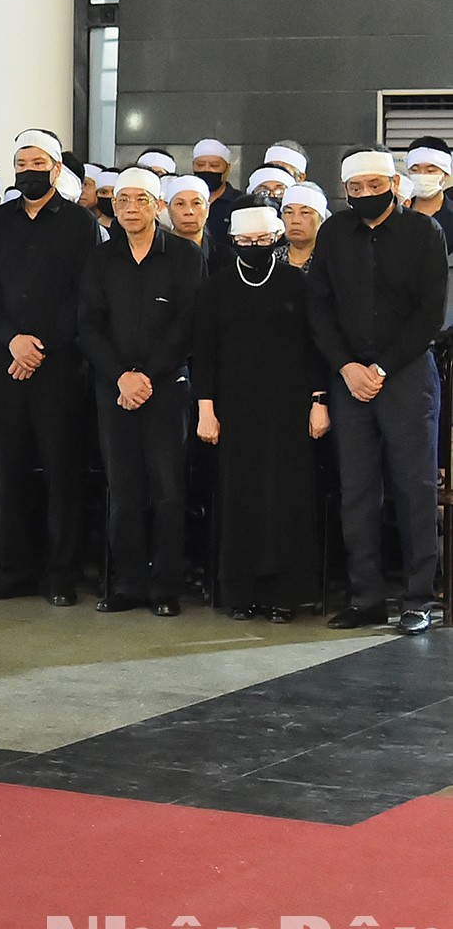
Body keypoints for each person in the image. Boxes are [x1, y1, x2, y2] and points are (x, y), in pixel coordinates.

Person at [308, 149, 448, 634]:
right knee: (358, 490)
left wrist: (381, 367)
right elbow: (319, 309)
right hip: (349, 378)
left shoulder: (422, 232)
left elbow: (431, 313)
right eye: (356, 189)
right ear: (345, 191)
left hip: (406, 374)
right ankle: (365, 597)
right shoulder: (333, 234)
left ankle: (418, 599)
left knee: (414, 489)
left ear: (393, 182)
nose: (366, 195)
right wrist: (347, 366)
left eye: (374, 185)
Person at [0, 129, 101, 606]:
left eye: (37, 161)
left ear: (56, 169)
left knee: (62, 474)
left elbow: (84, 297)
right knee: (11, 472)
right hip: (4, 367)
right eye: (21, 161)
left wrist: (39, 348)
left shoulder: (80, 224)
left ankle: (61, 574)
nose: (28, 169)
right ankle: (14, 570)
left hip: (59, 367)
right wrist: (12, 341)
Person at [78, 168, 206, 617]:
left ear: (156, 205)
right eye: (123, 201)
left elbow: (187, 324)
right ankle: (129, 582)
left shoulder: (186, 256)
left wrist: (147, 375)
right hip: (115, 389)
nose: (131, 208)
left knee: (168, 489)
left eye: (140, 200)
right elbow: (89, 324)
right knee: (124, 488)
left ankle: (164, 587)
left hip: (166, 387)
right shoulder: (100, 258)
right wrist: (121, 377)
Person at [194, 205, 328, 623]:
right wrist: (205, 409)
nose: (254, 248)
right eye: (246, 242)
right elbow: (204, 352)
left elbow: (315, 347)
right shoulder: (215, 288)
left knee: (288, 496)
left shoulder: (296, 283)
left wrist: (319, 401)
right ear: (234, 241)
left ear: (277, 239)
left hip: (290, 409)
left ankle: (286, 593)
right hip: (234, 408)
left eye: (263, 241)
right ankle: (241, 591)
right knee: (240, 497)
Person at [191, 138, 244, 250]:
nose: (206, 169)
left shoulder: (240, 202)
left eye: (214, 166)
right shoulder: (184, 200)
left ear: (227, 168)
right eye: (200, 165)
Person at [405, 138, 453, 246]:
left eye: (430, 171)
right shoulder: (397, 215)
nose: (422, 176)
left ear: (445, 174)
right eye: (415, 170)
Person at [281, 183, 326, 270]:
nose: (295, 221)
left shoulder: (331, 261)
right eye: (289, 213)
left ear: (321, 220)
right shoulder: (271, 259)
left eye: (305, 213)